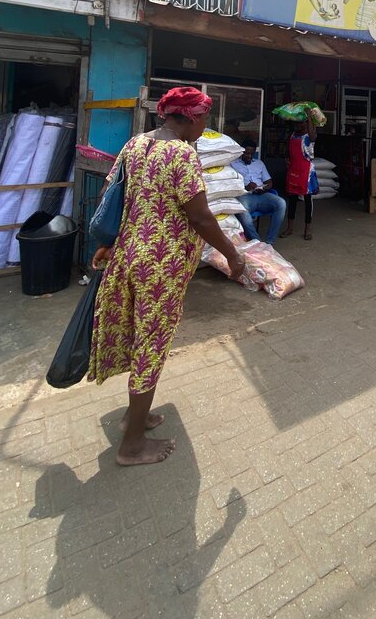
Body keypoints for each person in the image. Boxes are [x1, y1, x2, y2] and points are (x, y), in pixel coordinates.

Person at [88, 87, 244, 467]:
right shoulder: (182, 154)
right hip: (160, 268)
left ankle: (133, 417)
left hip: (127, 257)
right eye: (204, 119)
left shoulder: (136, 144)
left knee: (137, 337)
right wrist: (232, 255)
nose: (205, 126)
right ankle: (132, 446)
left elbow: (113, 195)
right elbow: (201, 217)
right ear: (188, 117)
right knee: (151, 346)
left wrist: (109, 243)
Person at [231, 139, 287, 245]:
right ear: (241, 151)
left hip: (262, 195)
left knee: (281, 203)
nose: (249, 156)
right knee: (243, 212)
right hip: (244, 196)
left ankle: (270, 241)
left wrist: (264, 188)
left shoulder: (259, 163)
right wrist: (246, 186)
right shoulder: (233, 165)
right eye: (247, 153)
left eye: (252, 153)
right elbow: (229, 184)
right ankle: (258, 243)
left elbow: (269, 182)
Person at [281, 115, 318, 241]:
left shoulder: (309, 136)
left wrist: (310, 119)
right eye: (296, 124)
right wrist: (286, 158)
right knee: (292, 199)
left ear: (306, 124)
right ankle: (289, 228)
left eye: (300, 123)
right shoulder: (292, 135)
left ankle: (308, 228)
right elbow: (288, 150)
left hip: (306, 171)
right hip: (293, 169)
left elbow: (313, 136)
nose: (297, 125)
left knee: (308, 200)